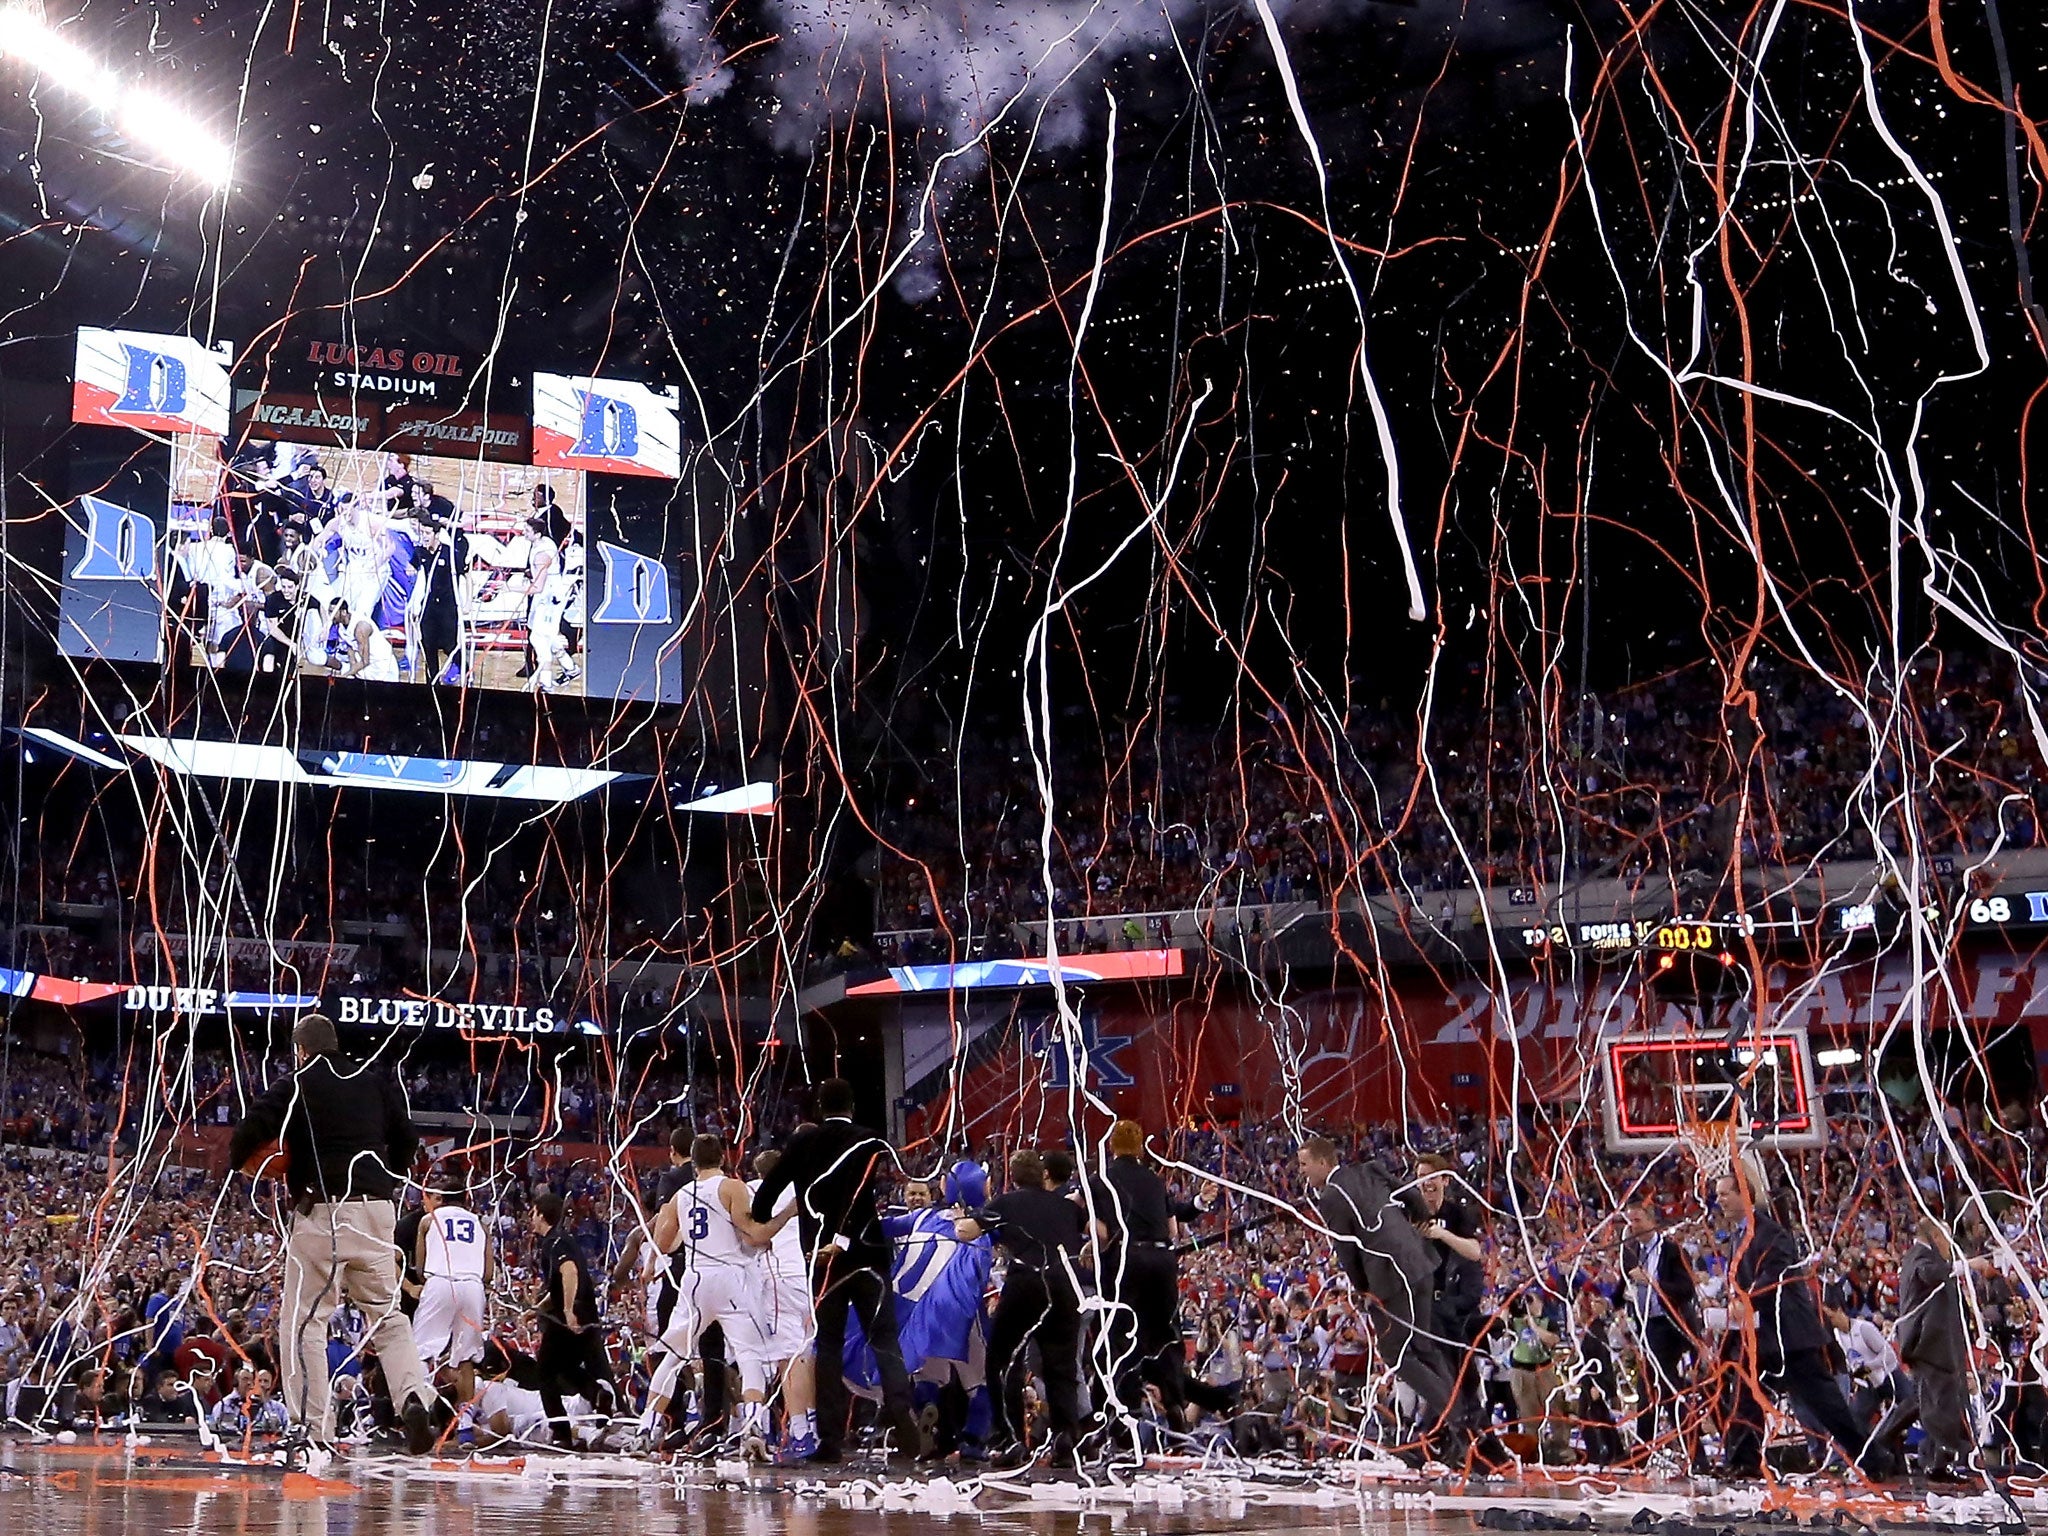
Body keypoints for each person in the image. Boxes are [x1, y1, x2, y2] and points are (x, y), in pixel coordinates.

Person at [226, 1011, 436, 1460]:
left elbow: (250, 1128)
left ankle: (312, 1430)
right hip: (377, 1212)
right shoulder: (374, 1078)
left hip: (323, 1212)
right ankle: (415, 1399)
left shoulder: (299, 1081)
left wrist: (245, 1163)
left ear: (301, 1050)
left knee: (305, 1324)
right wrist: (388, 1178)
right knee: (388, 1317)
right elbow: (408, 1138)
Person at [751, 1079, 925, 1461]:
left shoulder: (800, 1144)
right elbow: (858, 1187)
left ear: (817, 1106)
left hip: (822, 1259)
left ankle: (829, 1439)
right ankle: (900, 1411)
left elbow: (764, 1199)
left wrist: (767, 1214)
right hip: (868, 1253)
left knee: (827, 1344)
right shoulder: (868, 1139)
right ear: (852, 1104)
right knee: (883, 1338)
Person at [1714, 1165, 1887, 1478]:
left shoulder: (1771, 1232)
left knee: (1826, 1406)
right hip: (1760, 1337)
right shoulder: (1736, 1236)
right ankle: (1743, 1461)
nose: (1720, 1200)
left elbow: (1775, 1276)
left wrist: (1745, 1298)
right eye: (1717, 1195)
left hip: (1790, 1335)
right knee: (1743, 1394)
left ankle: (1872, 1460)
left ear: (1745, 1195)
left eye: (1725, 1194)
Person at [1296, 1136, 1456, 1456]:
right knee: (1422, 1348)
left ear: (1324, 1163)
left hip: (1393, 1276)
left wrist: (1362, 1290)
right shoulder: (1369, 1169)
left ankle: (1459, 1418)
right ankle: (1463, 1415)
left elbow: (1347, 1250)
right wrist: (1419, 1220)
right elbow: (1411, 1194)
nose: (1301, 1172)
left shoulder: (1331, 1196)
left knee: (1397, 1354)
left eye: (1304, 1165)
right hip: (1421, 1263)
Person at [642, 1133, 789, 1449]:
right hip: (729, 1276)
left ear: (692, 1163)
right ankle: (753, 1427)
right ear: (722, 1158)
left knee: (673, 1356)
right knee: (749, 1355)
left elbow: (664, 1244)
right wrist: (787, 1214)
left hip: (694, 1280)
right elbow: (752, 1234)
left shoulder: (681, 1195)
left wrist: (655, 1260)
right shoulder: (732, 1187)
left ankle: (647, 1427)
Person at [1086, 1118, 1226, 1428]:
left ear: (1112, 1145)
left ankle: (1126, 1413)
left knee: (1121, 1338)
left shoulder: (1101, 1180)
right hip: (1162, 1260)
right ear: (1139, 1148)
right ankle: (1175, 1402)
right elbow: (1173, 1226)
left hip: (1128, 1258)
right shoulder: (1154, 1179)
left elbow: (1102, 1231)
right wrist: (1199, 1202)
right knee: (1166, 1337)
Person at [957, 1149, 1090, 1466]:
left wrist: (965, 1216)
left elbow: (965, 1232)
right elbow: (1097, 1233)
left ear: (1014, 1177)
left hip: (1027, 1284)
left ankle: (1012, 1440)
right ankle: (1065, 1440)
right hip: (1066, 1286)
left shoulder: (1007, 1203)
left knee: (1003, 1363)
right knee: (1063, 1367)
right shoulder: (1067, 1207)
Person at [1870, 1214, 1976, 1478]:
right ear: (1936, 1236)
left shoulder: (1921, 1256)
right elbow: (1930, 1274)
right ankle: (1939, 1462)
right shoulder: (1921, 1257)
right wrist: (1966, 1265)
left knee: (1919, 1401)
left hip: (1930, 1343)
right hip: (1929, 1344)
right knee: (1941, 1401)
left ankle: (1879, 1443)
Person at [736, 1147, 821, 1461]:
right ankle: (810, 1423)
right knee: (805, 1354)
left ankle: (800, 1432)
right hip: (804, 1276)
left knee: (787, 1357)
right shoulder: (807, 1190)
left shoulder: (756, 1190)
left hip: (778, 1277)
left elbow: (749, 1238)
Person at [528, 1190, 619, 1446]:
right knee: (566, 1369)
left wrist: (567, 1311)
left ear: (542, 1215)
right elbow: (558, 1285)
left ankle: (560, 1432)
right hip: (584, 1311)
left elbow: (569, 1272)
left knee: (545, 1370)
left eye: (533, 1213)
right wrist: (537, 1308)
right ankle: (598, 1394)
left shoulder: (554, 1243)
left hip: (570, 1315)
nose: (530, 1218)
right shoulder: (563, 1240)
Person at [1620, 1197, 1701, 1463]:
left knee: (1661, 1386)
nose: (1633, 1226)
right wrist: (1621, 1299)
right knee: (1656, 1388)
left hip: (1672, 1324)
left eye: (1638, 1220)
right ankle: (1650, 1453)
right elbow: (1622, 1286)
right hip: (1646, 1325)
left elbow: (1686, 1289)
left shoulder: (1672, 1250)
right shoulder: (1630, 1250)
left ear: (1652, 1221)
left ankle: (1658, 1453)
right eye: (1630, 1221)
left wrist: (1653, 1283)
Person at [413, 1172, 491, 1409]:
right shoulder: (480, 1223)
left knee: (420, 1353)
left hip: (440, 1281)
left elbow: (420, 1267)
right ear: (466, 1199)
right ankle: (465, 1427)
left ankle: (420, 1414)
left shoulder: (429, 1220)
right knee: (466, 1358)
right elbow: (488, 1273)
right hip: (472, 1285)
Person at [407, 487, 468, 686]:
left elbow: (464, 575)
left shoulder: (449, 553)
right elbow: (412, 566)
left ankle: (466, 672)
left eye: (427, 533)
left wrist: (465, 603)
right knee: (428, 646)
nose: (423, 536)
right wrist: (410, 570)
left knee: (451, 646)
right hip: (430, 606)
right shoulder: (419, 552)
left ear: (436, 534)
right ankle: (432, 683)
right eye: (421, 532)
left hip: (448, 607)